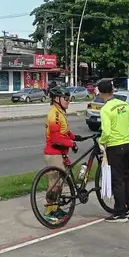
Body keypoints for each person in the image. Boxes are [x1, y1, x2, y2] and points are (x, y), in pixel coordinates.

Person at [97, 79, 129, 222]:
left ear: (100, 93)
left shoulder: (105, 109)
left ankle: (120, 212)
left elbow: (106, 132)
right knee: (127, 176)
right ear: (112, 90)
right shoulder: (124, 104)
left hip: (115, 146)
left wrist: (101, 141)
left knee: (117, 179)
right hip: (128, 143)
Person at [43, 86, 79, 222]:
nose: (68, 101)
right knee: (54, 184)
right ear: (57, 99)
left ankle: (55, 208)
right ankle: (49, 211)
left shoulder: (59, 112)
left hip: (60, 153)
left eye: (69, 98)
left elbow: (64, 130)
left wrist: (74, 137)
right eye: (66, 98)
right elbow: (56, 138)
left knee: (59, 183)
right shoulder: (55, 115)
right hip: (54, 154)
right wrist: (71, 144)